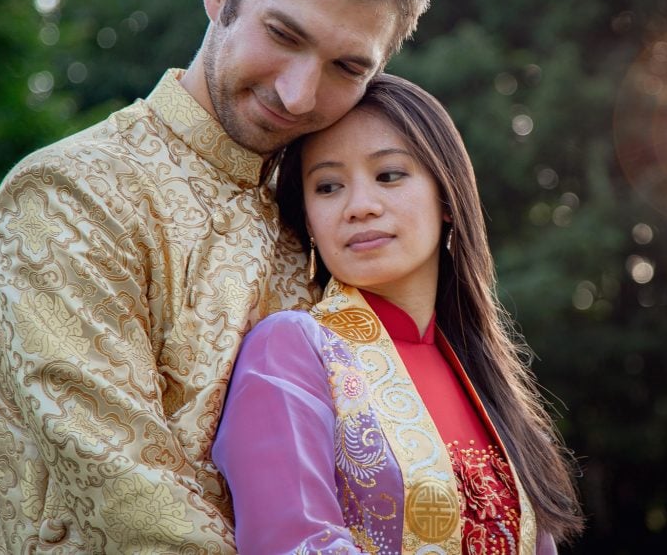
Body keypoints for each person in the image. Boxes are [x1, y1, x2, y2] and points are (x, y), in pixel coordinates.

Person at [0, 0, 430, 552]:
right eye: (283, 32)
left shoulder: (326, 222)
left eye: (346, 67)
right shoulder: (69, 193)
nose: (299, 94)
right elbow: (130, 497)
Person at [213, 74, 584, 554]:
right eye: (328, 186)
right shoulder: (290, 350)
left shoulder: (489, 385)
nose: (360, 207)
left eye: (389, 175)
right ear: (307, 217)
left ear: (446, 198)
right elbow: (294, 543)